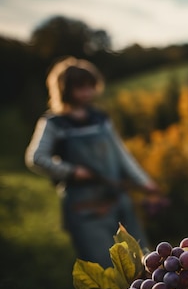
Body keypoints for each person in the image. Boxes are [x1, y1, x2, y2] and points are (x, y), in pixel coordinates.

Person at [25, 56, 157, 268]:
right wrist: (71, 171)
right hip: (84, 208)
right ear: (65, 89)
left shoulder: (100, 119)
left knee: (141, 260)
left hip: (118, 200)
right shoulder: (54, 123)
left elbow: (121, 154)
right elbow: (36, 158)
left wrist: (144, 181)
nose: (87, 92)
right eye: (81, 87)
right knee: (105, 270)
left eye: (90, 86)